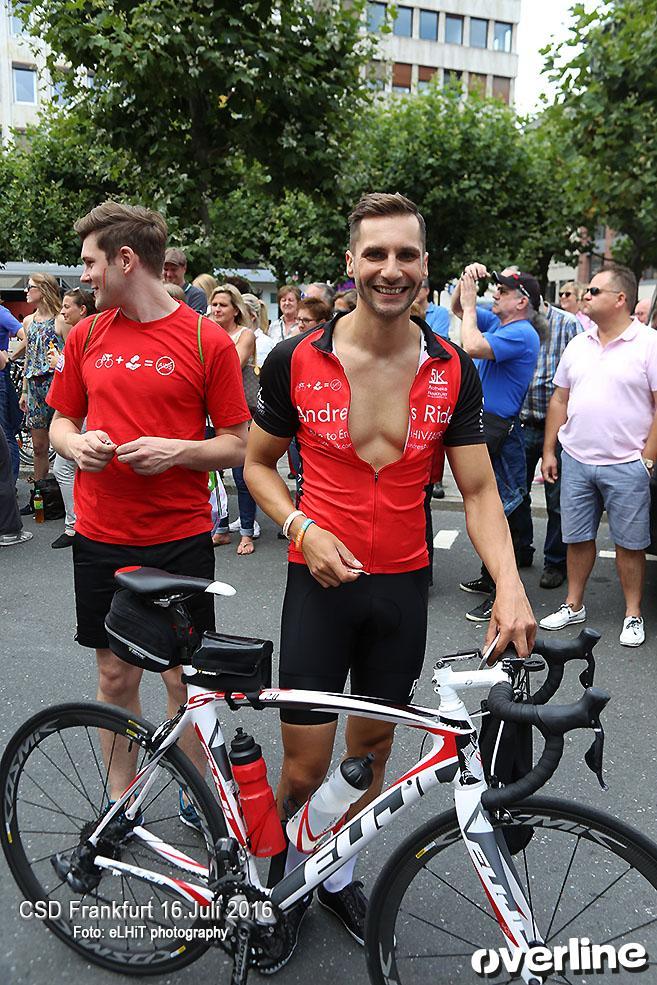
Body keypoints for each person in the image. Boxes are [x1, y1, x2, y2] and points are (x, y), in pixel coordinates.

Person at [244, 192, 535, 958]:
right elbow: (256, 464)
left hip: (400, 585)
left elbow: (476, 490)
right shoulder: (294, 358)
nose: (390, 269)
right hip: (320, 584)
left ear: (425, 267)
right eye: (375, 253)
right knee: (306, 765)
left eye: (406, 255)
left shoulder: (449, 368)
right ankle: (277, 882)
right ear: (350, 263)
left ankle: (332, 872)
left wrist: (508, 582)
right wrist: (299, 527)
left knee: (367, 753)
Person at [47, 201, 249, 813]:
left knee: (185, 680)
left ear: (126, 260)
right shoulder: (87, 335)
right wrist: (76, 444)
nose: (82, 276)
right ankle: (121, 799)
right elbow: (61, 420)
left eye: (90, 262)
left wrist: (176, 452)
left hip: (178, 536)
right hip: (102, 534)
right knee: (115, 676)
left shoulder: (204, 338)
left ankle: (195, 794)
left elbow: (237, 445)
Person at [540, 264, 657, 647]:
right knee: (576, 537)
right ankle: (574, 603)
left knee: (630, 542)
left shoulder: (648, 343)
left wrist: (648, 459)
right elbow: (560, 398)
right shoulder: (579, 343)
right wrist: (550, 450)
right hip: (576, 457)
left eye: (593, 291)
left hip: (626, 462)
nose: (585, 296)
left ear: (620, 299)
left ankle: (633, 613)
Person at [452, 266, 541, 621]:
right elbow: (460, 309)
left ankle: (505, 590)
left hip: (500, 428)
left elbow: (470, 343)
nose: (496, 294)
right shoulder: (503, 325)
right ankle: (492, 578)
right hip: (487, 425)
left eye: (503, 291)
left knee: (501, 509)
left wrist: (472, 303)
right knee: (494, 506)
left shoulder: (521, 332)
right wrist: (466, 280)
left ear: (522, 302)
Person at [514, 299, 583, 588]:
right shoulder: (516, 322)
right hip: (521, 423)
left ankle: (555, 562)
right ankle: (521, 549)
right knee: (517, 496)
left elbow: (579, 373)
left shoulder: (568, 324)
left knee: (557, 501)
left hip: (556, 427)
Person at [209, 284, 259, 556]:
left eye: (223, 305)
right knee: (213, 475)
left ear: (235, 309)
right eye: (214, 304)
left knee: (242, 477)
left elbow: (233, 364)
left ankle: (247, 533)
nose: (216, 309)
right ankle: (221, 528)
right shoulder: (206, 331)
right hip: (210, 411)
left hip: (240, 412)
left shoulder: (245, 334)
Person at [48, 288, 97, 549]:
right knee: (68, 467)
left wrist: (59, 362)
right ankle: (77, 523)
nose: (63, 311)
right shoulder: (77, 333)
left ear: (83, 310)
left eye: (68, 306)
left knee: (65, 467)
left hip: (88, 412)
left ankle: (74, 526)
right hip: (75, 412)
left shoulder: (89, 333)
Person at [18, 274, 66, 501]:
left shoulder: (61, 319)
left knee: (63, 443)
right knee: (38, 446)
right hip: (35, 387)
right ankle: (40, 497)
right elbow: (28, 356)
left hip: (57, 384)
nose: (26, 291)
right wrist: (25, 391)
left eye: (30, 287)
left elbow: (71, 354)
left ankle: (66, 497)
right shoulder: (28, 321)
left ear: (44, 289)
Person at [0, 301, 23, 480]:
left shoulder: (1, 312)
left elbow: (26, 334)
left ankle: (10, 483)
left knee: (5, 432)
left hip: (1, 375)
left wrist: (10, 357)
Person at [161, 247, 208, 314]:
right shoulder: (158, 292)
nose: (169, 274)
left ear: (184, 268)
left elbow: (194, 322)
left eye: (173, 270)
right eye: (165, 269)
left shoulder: (196, 295)